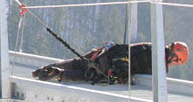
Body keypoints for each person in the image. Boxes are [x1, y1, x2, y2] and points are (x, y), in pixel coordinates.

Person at [31, 40, 188, 85]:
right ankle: (59, 74)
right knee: (87, 76)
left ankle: (45, 69)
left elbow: (128, 51)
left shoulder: (149, 46)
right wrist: (123, 76)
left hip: (106, 51)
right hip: (109, 64)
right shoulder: (159, 67)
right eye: (176, 62)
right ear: (174, 58)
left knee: (78, 63)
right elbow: (126, 62)